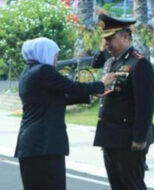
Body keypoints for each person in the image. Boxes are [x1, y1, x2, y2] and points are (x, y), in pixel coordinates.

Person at [14, 37, 115, 190]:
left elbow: (55, 98)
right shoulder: (43, 71)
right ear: (44, 53)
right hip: (44, 144)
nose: (56, 59)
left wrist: (90, 94)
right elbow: (71, 87)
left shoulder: (28, 72)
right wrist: (101, 84)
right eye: (55, 54)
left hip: (31, 144)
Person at [93, 14, 154, 190]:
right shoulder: (111, 62)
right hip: (111, 137)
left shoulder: (138, 63)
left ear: (125, 37)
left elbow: (145, 105)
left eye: (110, 39)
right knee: (117, 185)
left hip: (128, 139)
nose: (106, 44)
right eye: (105, 39)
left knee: (132, 185)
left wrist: (139, 137)